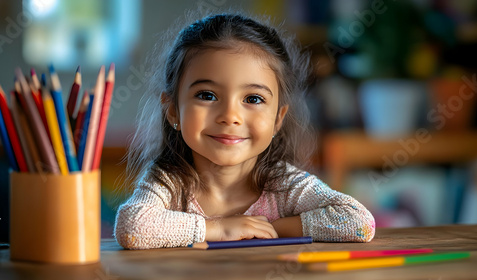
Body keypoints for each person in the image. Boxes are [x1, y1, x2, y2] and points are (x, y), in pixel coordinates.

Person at [114, 13, 375, 249]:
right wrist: (221, 228)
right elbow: (132, 228)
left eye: (253, 99)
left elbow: (359, 222)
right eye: (207, 95)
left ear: (277, 119)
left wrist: (273, 227)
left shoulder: (283, 183)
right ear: (172, 110)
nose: (230, 116)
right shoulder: (170, 180)